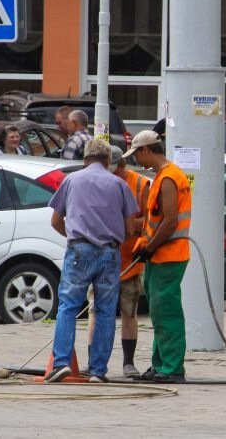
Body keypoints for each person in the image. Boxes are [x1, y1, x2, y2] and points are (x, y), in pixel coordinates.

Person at [46, 139, 139, 383]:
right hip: (110, 253)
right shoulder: (119, 184)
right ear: (108, 161)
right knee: (106, 311)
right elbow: (130, 228)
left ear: (85, 159)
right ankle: (98, 371)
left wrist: (76, 238)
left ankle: (62, 363)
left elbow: (56, 221)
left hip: (79, 251)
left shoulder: (71, 181)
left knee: (68, 307)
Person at [122, 130, 192, 384]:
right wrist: (146, 246)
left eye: (137, 154)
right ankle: (160, 364)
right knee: (158, 311)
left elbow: (170, 221)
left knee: (167, 312)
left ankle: (173, 368)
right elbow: (156, 220)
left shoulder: (169, 178)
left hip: (169, 256)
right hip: (159, 256)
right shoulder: (162, 176)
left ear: (147, 150)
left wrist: (150, 246)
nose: (137, 160)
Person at [85, 145, 150, 378]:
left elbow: (150, 219)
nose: (111, 175)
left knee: (129, 313)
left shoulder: (141, 185)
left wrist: (130, 226)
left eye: (115, 171)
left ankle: (128, 363)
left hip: (128, 261)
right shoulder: (101, 182)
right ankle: (93, 363)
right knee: (96, 312)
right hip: (102, 260)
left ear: (122, 165)